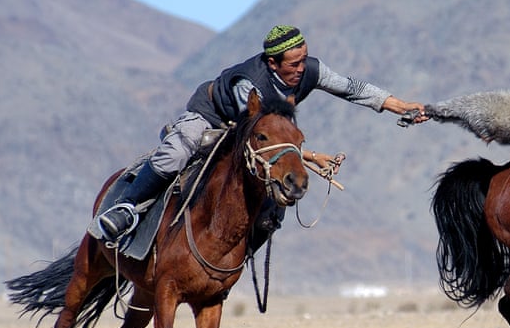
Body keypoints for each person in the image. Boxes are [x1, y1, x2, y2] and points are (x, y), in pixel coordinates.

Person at [97, 25, 427, 243]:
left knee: (273, 194)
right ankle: (126, 209)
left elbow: (351, 88)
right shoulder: (249, 83)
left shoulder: (311, 69)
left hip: (260, 134)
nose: (302, 69)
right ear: (272, 63)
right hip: (214, 117)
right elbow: (256, 134)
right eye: (294, 64)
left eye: (304, 59)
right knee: (176, 154)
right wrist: (308, 157)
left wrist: (398, 105)